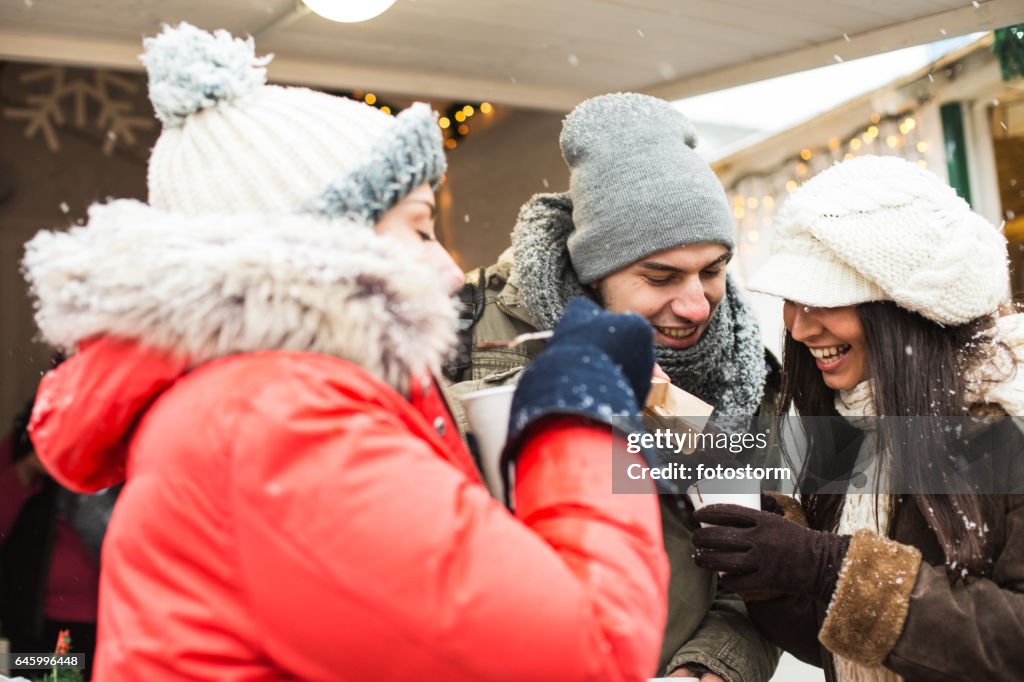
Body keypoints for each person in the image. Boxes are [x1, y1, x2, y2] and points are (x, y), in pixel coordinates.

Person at [21, 24, 669, 681]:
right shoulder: (281, 419)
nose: (449, 270)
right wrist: (580, 418)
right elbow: (586, 656)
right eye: (419, 228)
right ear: (326, 251)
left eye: (712, 269)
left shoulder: (256, 404)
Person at [445, 93, 779, 681]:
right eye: (661, 276)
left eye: (714, 269)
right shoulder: (466, 327)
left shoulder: (743, 371)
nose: (695, 305)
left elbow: (760, 569)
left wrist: (710, 669)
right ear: (593, 268)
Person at [691, 155, 1024, 681]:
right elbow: (845, 647)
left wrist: (830, 566)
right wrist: (774, 569)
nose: (799, 328)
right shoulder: (852, 415)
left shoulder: (1004, 418)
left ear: (902, 309)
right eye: (792, 301)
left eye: (824, 300)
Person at [0, 394, 112, 681]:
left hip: (105, 624)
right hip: (35, 624)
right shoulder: (25, 444)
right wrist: (28, 468)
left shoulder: (121, 450)